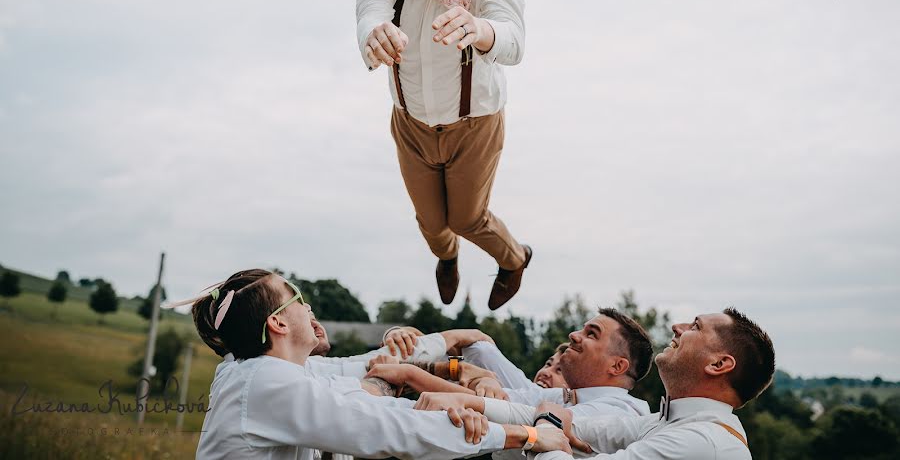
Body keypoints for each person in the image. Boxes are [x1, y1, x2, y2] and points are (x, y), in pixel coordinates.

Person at [356, 0, 529, 309]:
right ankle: (446, 258)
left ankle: (514, 258)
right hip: (411, 125)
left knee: (466, 218)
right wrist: (373, 34)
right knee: (432, 224)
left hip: (475, 124)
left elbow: (514, 39)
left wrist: (481, 29)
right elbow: (369, 13)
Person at [186, 269, 571, 460]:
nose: (307, 306)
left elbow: (364, 365)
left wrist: (450, 340)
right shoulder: (266, 382)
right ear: (279, 323)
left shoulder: (266, 371)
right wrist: (528, 435)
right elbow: (390, 426)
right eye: (298, 297)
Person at [533, 308, 776, 460]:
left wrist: (544, 425)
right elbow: (578, 426)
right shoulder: (662, 422)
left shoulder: (702, 442)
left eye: (695, 327)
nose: (676, 328)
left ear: (718, 364)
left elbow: (553, 422)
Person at [415, 309, 653, 420]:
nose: (573, 334)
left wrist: (411, 374)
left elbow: (518, 414)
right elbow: (508, 393)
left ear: (617, 366)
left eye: (592, 334)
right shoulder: (564, 396)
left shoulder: (621, 411)